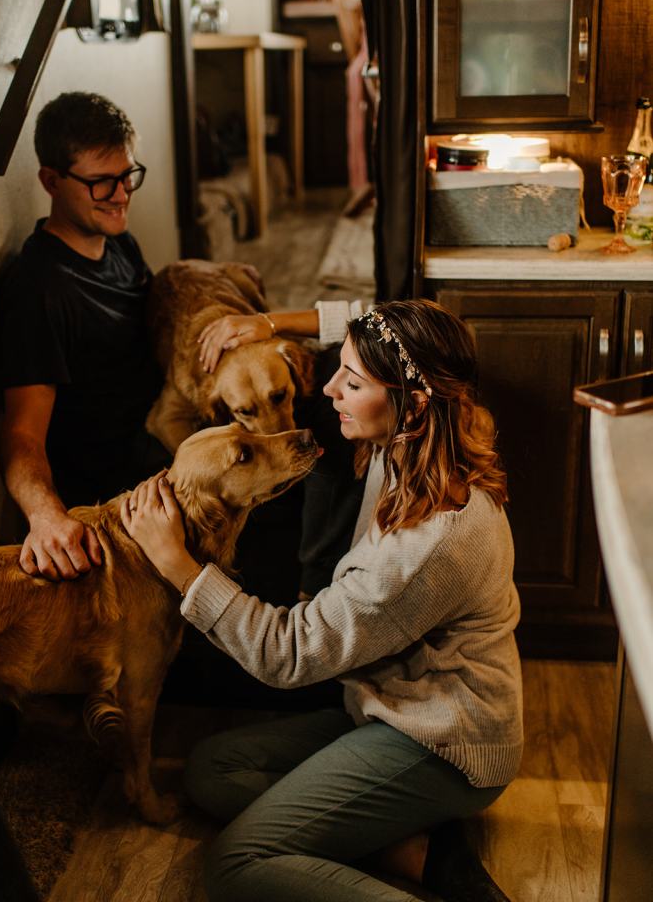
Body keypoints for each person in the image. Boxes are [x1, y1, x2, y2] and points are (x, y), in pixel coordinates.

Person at [121, 297, 522, 902]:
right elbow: (381, 318)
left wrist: (178, 565)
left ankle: (410, 832)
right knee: (211, 771)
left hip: (440, 738)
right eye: (339, 367)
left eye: (352, 380)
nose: (328, 386)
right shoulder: (416, 439)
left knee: (236, 863)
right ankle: (419, 851)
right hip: (382, 702)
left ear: (410, 404)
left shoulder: (431, 545)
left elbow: (289, 653)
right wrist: (270, 325)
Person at [0, 91, 170, 582]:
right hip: (114, 497)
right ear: (51, 181)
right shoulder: (38, 290)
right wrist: (47, 516)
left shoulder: (119, 244)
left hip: (161, 443)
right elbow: (21, 435)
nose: (121, 194)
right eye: (101, 183)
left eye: (127, 175)